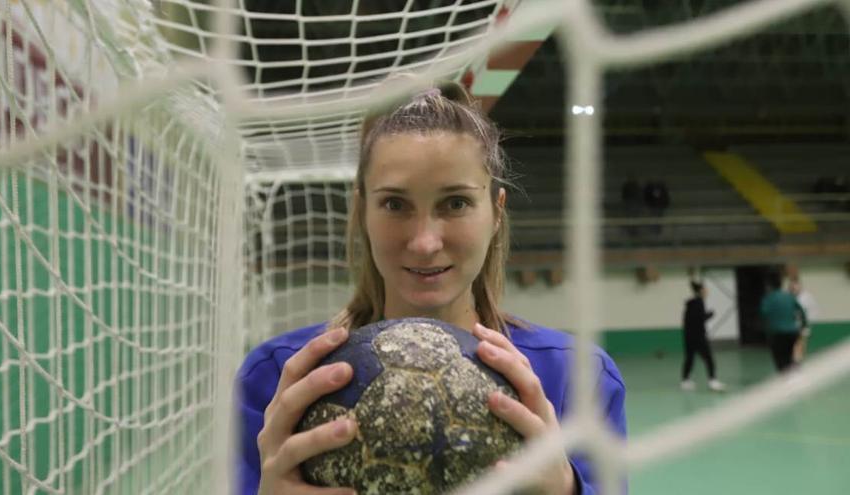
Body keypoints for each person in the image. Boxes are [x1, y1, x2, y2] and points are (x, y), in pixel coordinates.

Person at [235, 81, 627, 495]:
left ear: (496, 213)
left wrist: (568, 489)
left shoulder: (577, 381)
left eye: (455, 203)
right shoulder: (277, 379)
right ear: (362, 211)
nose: (425, 242)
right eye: (394, 204)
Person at [680, 281, 726, 392]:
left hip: (688, 336)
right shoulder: (698, 303)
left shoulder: (691, 303)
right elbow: (699, 319)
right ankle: (713, 381)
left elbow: (688, 320)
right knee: (709, 359)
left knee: (689, 358)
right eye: (705, 289)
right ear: (700, 291)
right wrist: (710, 314)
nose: (707, 291)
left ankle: (685, 381)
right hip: (698, 337)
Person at [760, 274, 807, 373]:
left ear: (769, 286)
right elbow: (801, 311)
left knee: (779, 357)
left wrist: (766, 328)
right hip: (792, 332)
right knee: (790, 354)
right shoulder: (789, 296)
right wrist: (803, 326)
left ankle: (784, 376)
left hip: (777, 333)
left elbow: (763, 313)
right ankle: (793, 373)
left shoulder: (768, 298)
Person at [788, 277, 817, 364]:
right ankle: (795, 360)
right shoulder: (788, 297)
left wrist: (809, 323)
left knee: (802, 343)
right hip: (791, 325)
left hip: (804, 324)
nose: (794, 289)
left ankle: (799, 359)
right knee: (794, 344)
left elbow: (813, 310)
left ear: (800, 286)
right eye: (792, 287)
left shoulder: (807, 297)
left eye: (796, 287)